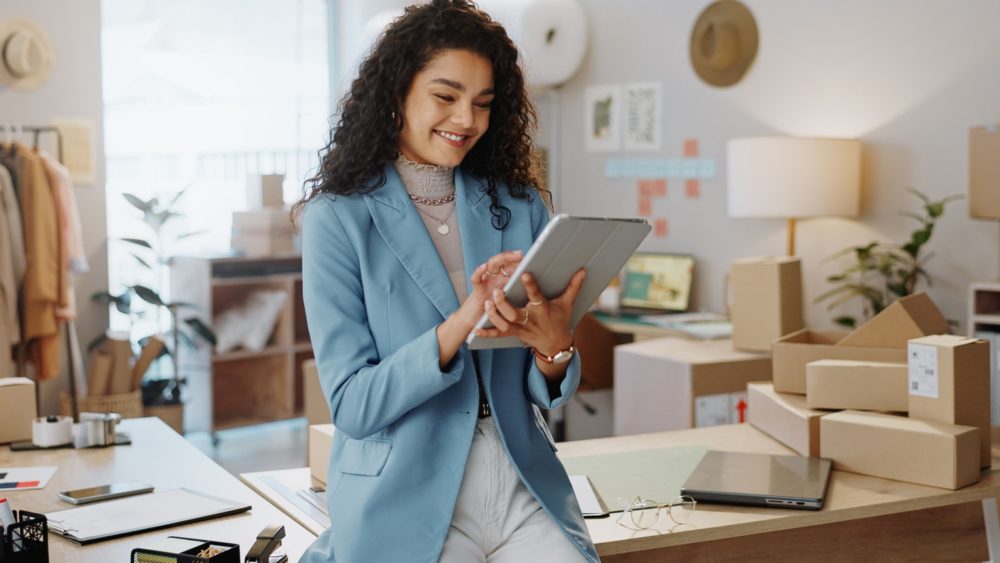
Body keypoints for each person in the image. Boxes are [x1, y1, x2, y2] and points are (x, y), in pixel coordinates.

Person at [296, 1, 598, 561]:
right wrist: (462, 322)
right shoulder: (336, 219)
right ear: (396, 93)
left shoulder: (517, 203)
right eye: (445, 96)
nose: (466, 120)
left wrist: (555, 348)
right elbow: (354, 405)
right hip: (407, 489)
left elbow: (546, 386)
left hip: (519, 482)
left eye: (483, 104)